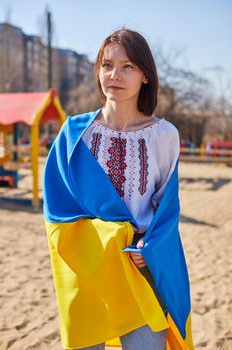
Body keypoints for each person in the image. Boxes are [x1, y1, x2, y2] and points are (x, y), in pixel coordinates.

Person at [43, 29, 194, 350]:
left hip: (138, 270)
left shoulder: (164, 135)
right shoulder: (73, 135)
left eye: (128, 66)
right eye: (107, 65)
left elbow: (166, 208)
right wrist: (107, 240)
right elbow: (57, 210)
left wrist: (148, 247)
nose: (115, 75)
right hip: (88, 271)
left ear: (145, 76)